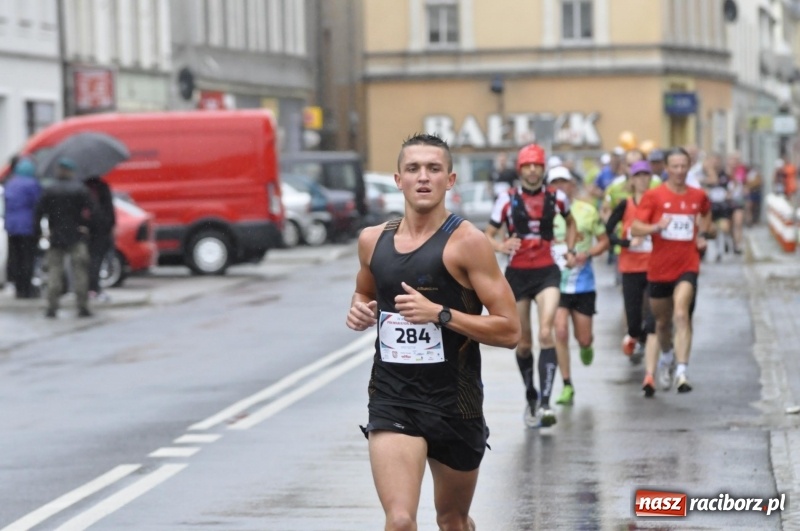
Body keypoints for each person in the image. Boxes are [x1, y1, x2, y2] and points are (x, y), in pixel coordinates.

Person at [346, 133, 520, 531]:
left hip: (455, 404)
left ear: (450, 180)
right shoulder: (372, 241)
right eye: (413, 169)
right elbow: (363, 289)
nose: (423, 177)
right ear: (398, 179)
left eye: (433, 169)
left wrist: (441, 315)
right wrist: (359, 308)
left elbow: (510, 330)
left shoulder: (469, 244)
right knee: (401, 521)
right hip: (393, 399)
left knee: (452, 520)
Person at [485, 143, 577, 428]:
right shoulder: (506, 199)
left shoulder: (557, 197)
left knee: (546, 332)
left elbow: (572, 225)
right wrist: (501, 244)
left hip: (547, 272)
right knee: (523, 342)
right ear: (520, 169)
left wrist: (571, 250)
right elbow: (487, 235)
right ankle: (531, 396)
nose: (533, 170)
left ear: (543, 168)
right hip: (518, 274)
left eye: (538, 165)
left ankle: (547, 404)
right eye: (528, 165)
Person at [632, 147, 712, 395]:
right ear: (666, 169)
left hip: (687, 265)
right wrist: (656, 226)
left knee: (681, 314)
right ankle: (667, 356)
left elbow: (707, 214)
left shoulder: (698, 196)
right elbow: (635, 228)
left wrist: (702, 235)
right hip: (659, 269)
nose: (679, 171)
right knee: (663, 323)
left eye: (683, 166)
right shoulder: (654, 196)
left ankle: (682, 372)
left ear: (689, 167)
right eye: (674, 166)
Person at [547, 166, 609, 406]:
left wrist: (588, 254)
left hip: (583, 283)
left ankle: (586, 346)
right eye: (555, 183)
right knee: (559, 331)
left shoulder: (587, 211)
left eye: (565, 182)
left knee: (583, 338)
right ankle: (567, 385)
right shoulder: (544, 213)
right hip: (555, 283)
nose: (560, 187)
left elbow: (604, 241)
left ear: (573, 185)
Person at [605, 160, 657, 367]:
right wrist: (626, 242)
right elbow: (608, 231)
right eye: (638, 176)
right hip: (630, 267)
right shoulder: (625, 205)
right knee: (634, 319)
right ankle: (636, 336)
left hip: (654, 267)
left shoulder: (656, 204)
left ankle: (650, 344)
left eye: (646, 175)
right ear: (632, 180)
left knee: (653, 315)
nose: (643, 179)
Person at [35, 158, 95, 318]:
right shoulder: (80, 189)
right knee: (80, 272)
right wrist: (86, 226)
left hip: (56, 235)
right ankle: (82, 306)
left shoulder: (50, 190)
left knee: (54, 272)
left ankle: (52, 306)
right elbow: (92, 211)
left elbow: (39, 212)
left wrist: (41, 231)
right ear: (71, 172)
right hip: (77, 235)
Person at [3, 157, 42, 298]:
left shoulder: (10, 183)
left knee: (16, 257)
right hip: (27, 226)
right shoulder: (32, 184)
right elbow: (38, 203)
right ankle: (26, 288)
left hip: (11, 226)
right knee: (27, 259)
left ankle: (18, 288)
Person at [84, 175, 116, 300]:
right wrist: (110, 225)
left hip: (86, 229)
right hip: (101, 229)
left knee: (86, 261)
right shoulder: (102, 187)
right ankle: (94, 288)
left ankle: (87, 288)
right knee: (96, 260)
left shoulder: (82, 187)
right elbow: (110, 210)